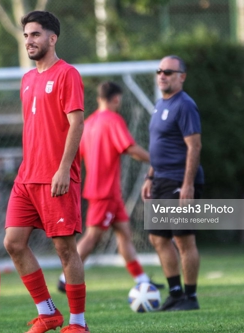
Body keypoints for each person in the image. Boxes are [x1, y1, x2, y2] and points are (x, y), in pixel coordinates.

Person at [3, 11, 88, 333]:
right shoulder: (27, 79)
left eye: (35, 34)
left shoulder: (67, 74)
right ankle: (48, 313)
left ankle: (78, 324)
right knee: (13, 243)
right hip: (27, 178)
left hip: (57, 177)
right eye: (26, 35)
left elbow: (76, 124)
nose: (29, 41)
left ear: (52, 38)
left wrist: (64, 169)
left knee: (65, 249)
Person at [57, 81, 164, 292]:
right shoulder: (113, 120)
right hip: (104, 192)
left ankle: (141, 279)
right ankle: (64, 278)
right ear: (116, 99)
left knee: (124, 233)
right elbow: (130, 148)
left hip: (108, 192)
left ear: (98, 99)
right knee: (93, 237)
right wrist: (155, 160)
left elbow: (77, 155)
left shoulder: (88, 123)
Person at [141, 55, 204, 311]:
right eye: (159, 71)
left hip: (180, 180)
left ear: (182, 76)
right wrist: (150, 175)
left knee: (183, 239)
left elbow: (194, 146)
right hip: (161, 180)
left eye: (168, 71)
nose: (162, 75)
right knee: (158, 238)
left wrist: (188, 184)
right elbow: (160, 146)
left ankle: (190, 296)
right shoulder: (159, 104)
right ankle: (175, 292)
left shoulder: (185, 105)